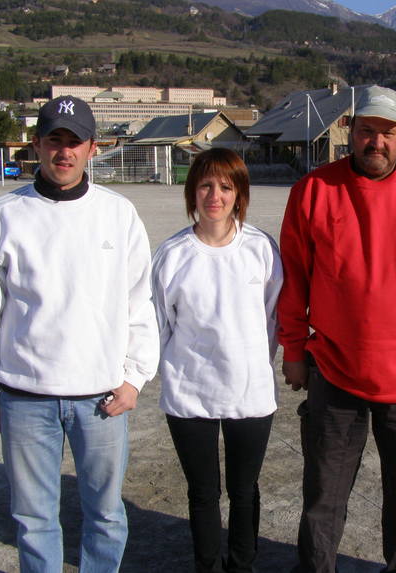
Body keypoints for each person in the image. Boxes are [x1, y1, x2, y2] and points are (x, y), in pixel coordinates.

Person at [0, 95, 160, 572]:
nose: (64, 152)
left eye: (75, 142)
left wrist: (135, 378)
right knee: (33, 518)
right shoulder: (0, 217)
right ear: (37, 144)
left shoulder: (119, 214)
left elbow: (141, 304)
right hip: (26, 398)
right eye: (55, 140)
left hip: (102, 400)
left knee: (107, 515)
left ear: (93, 148)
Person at [278, 85, 396, 573]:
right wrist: (294, 350)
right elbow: (294, 277)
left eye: (387, 133)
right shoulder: (314, 191)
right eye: (367, 131)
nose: (376, 142)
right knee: (324, 492)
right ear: (350, 130)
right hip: (336, 372)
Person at [152, 148, 283, 573]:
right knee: (203, 493)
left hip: (249, 393)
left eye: (226, 186)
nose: (215, 195)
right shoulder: (173, 254)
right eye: (206, 185)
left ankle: (241, 565)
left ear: (239, 194)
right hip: (190, 393)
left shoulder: (261, 248)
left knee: (245, 490)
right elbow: (159, 323)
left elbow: (272, 317)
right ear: (192, 191)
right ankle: (207, 565)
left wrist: (252, 363)